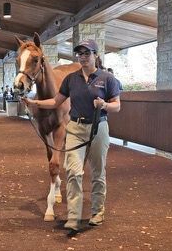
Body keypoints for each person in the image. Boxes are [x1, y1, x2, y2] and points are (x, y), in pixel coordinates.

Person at [22, 39, 121, 233]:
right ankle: (74, 216)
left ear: (95, 55)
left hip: (98, 127)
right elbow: (56, 101)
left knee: (98, 173)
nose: (83, 57)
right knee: (73, 172)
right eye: (80, 54)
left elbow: (117, 105)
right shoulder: (71, 79)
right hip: (75, 127)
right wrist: (34, 104)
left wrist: (105, 105)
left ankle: (97, 212)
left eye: (87, 53)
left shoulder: (107, 79)